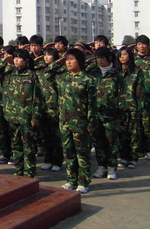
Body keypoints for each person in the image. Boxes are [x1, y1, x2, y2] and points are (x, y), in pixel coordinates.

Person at [58, 48, 96, 194]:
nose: (68, 62)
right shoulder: (64, 78)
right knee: (69, 153)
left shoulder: (88, 80)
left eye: (72, 59)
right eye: (67, 59)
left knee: (82, 153)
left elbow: (92, 105)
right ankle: (71, 180)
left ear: (79, 61)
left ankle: (83, 181)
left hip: (80, 122)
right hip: (65, 122)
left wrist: (90, 123)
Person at [1, 48, 41, 178]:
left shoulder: (31, 76)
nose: (17, 61)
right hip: (12, 116)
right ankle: (18, 169)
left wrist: (35, 116)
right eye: (15, 58)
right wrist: (4, 62)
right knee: (16, 145)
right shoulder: (9, 74)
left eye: (20, 58)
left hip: (26, 116)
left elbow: (37, 98)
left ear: (26, 60)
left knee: (28, 145)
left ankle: (29, 171)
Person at [90, 47, 124, 181]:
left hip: (111, 115)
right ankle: (101, 166)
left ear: (109, 58)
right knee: (98, 142)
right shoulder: (93, 73)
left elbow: (122, 96)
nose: (100, 60)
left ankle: (111, 167)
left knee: (111, 142)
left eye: (102, 58)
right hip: (96, 114)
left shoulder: (116, 75)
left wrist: (120, 115)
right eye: (98, 58)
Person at [117, 46, 146, 169]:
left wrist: (140, 107)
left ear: (130, 55)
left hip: (133, 106)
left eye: (124, 54)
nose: (122, 57)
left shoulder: (137, 71)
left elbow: (140, 91)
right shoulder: (116, 72)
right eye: (120, 55)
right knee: (121, 134)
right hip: (120, 108)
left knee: (133, 134)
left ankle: (133, 158)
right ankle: (123, 157)